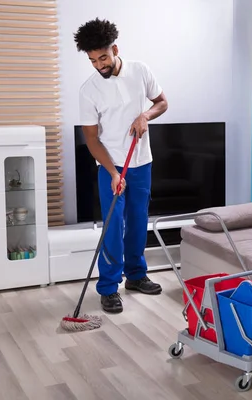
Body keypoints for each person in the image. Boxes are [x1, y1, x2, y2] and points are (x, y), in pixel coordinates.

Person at [74, 18, 168, 313]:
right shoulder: (89, 90)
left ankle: (136, 276)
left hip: (142, 163)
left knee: (139, 222)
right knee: (113, 226)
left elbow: (162, 102)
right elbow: (91, 139)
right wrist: (113, 172)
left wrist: (145, 116)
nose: (98, 65)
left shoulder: (140, 71)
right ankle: (108, 287)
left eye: (102, 57)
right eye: (92, 60)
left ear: (114, 49)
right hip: (111, 165)